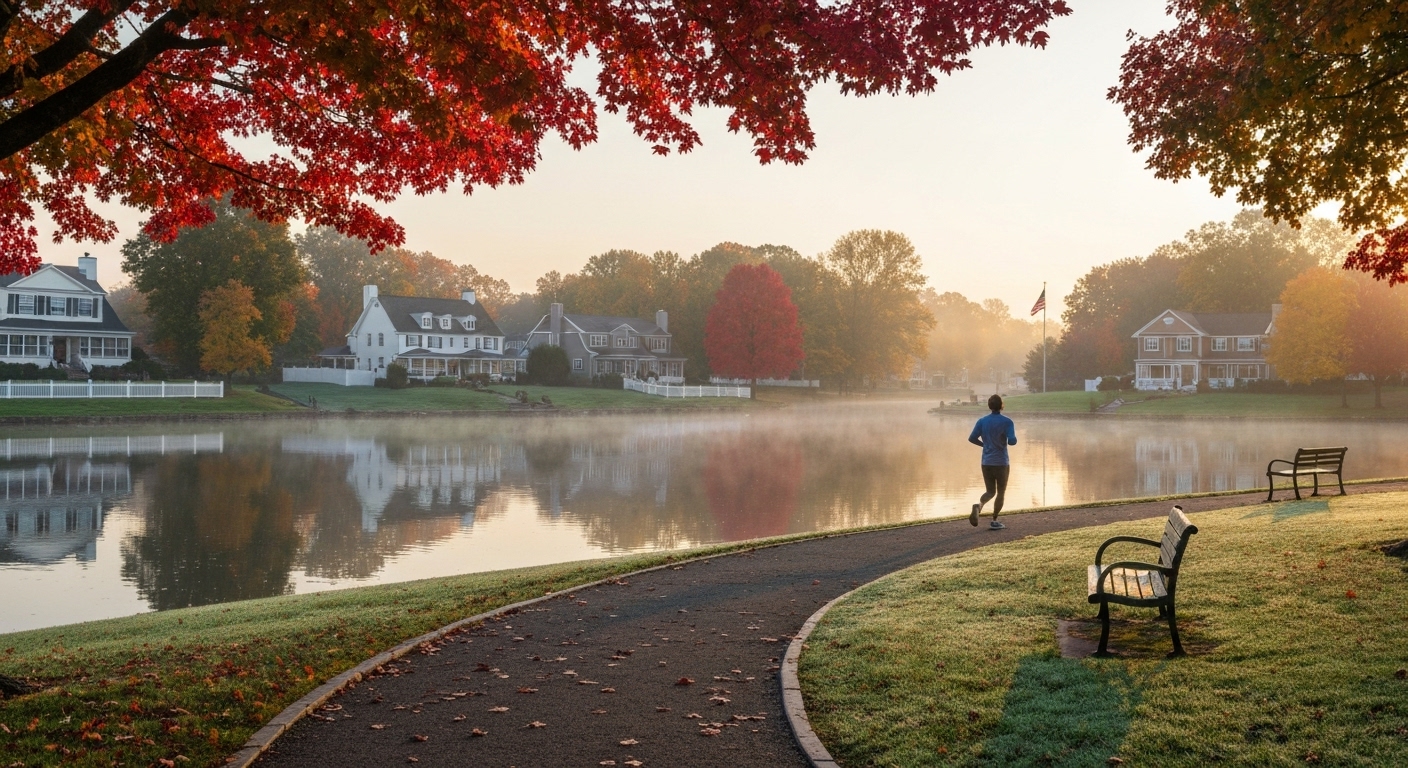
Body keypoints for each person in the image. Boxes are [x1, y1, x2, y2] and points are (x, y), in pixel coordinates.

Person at [968, 394, 1017, 530]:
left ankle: (979, 506)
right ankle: (995, 520)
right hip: (1001, 462)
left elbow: (972, 438)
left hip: (986, 462)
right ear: (1001, 405)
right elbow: (1012, 441)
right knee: (1001, 492)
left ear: (989, 406)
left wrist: (985, 445)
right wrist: (1010, 440)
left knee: (990, 491)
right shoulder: (1007, 422)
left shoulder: (982, 421)